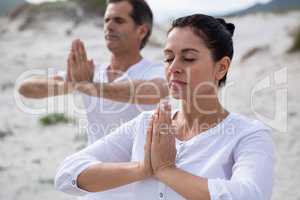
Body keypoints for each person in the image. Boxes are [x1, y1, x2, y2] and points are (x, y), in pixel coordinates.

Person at [55, 14, 274, 200]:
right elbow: (67, 174)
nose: (174, 68)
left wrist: (166, 171)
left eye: (188, 58)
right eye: (169, 58)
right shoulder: (147, 123)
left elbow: (249, 194)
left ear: (221, 68)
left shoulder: (248, 135)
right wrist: (141, 169)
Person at [18, 0, 168, 144]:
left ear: (141, 31)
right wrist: (75, 84)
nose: (109, 26)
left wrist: (87, 86)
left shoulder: (155, 70)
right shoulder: (90, 73)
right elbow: (25, 88)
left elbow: (153, 91)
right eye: (106, 20)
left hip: (138, 166)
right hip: (95, 165)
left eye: (118, 21)